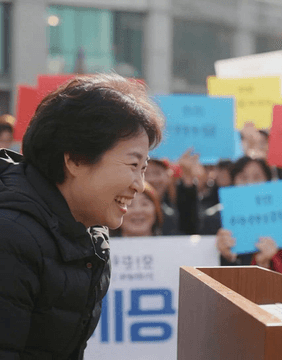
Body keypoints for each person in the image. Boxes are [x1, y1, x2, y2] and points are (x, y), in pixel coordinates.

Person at [0, 74, 163, 358]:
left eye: (144, 167)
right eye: (133, 164)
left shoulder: (92, 235)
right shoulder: (11, 237)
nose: (139, 185)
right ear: (75, 159)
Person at [205, 156, 282, 273]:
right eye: (243, 177)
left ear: (268, 182)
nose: (249, 184)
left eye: (257, 177)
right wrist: (226, 257)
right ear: (233, 181)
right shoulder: (216, 222)